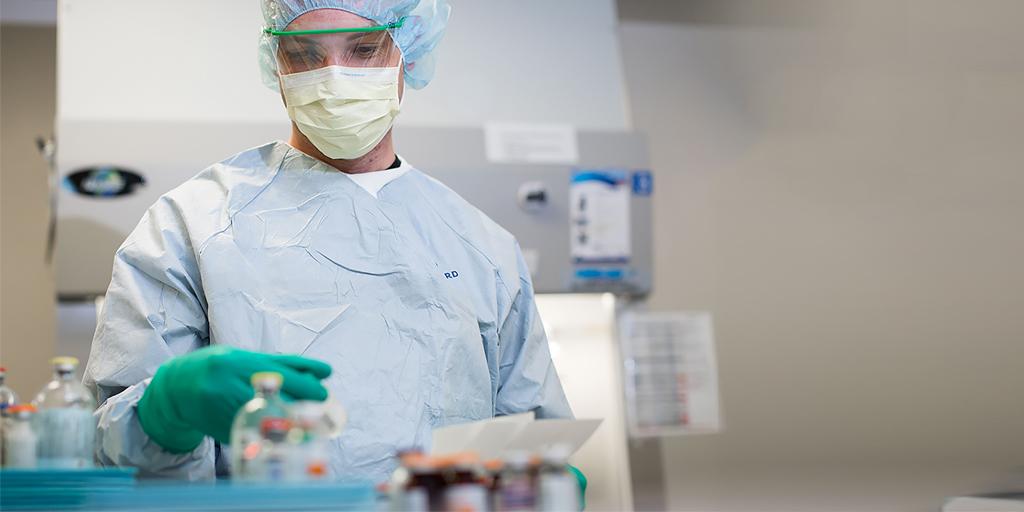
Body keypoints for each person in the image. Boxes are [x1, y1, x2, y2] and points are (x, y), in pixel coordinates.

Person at [83, 0, 574, 484]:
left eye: (364, 49)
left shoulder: (482, 246)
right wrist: (165, 410)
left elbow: (529, 435)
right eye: (305, 54)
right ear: (275, 61)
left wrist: (548, 478)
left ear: (410, 50)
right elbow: (108, 452)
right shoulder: (189, 226)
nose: (334, 76)